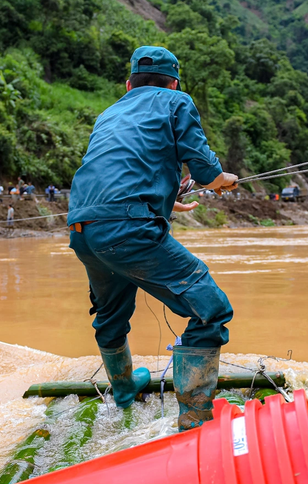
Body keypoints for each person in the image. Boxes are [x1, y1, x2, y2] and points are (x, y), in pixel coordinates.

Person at [67, 45, 238, 430]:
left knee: (110, 312)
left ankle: (125, 389)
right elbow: (205, 170)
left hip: (83, 228)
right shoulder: (177, 101)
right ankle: (195, 418)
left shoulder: (108, 114)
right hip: (130, 227)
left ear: (128, 85)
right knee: (211, 309)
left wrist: (165, 201)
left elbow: (120, 172)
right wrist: (221, 180)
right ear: (174, 82)